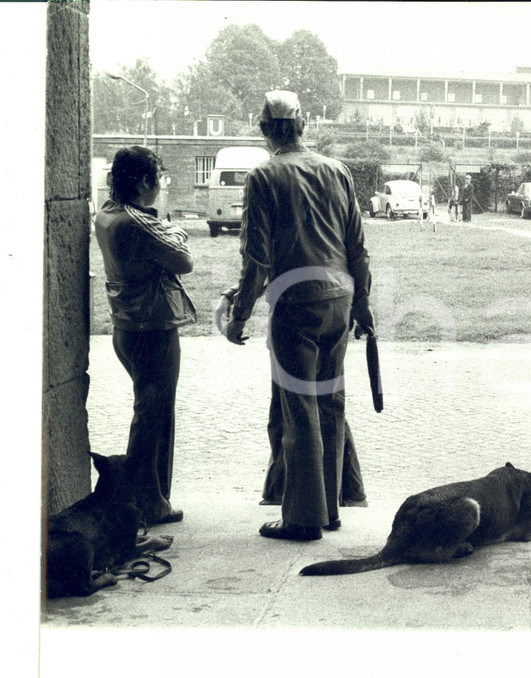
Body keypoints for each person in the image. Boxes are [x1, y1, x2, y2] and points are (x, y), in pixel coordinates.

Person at [224, 90, 374, 541]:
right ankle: (329, 510)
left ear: (265, 129)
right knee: (329, 403)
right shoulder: (337, 170)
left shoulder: (264, 177)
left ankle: (303, 518)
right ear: (303, 126)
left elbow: (257, 259)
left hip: (295, 303)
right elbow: (357, 248)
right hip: (339, 302)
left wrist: (238, 316)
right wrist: (363, 306)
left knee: (299, 409)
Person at [93, 146, 196, 526]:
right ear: (142, 182)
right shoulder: (136, 223)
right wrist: (175, 230)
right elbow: (184, 259)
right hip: (152, 329)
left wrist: (165, 228)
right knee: (152, 417)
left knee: (152, 412)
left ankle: (155, 497)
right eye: (157, 178)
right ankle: (146, 504)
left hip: (127, 326)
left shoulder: (107, 213)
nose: (160, 185)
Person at [213, 288, 368, 508]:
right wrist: (361, 305)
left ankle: (287, 493)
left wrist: (235, 306)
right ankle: (344, 493)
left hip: (294, 312)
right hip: (334, 308)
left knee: (291, 405)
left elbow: (262, 264)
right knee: (326, 404)